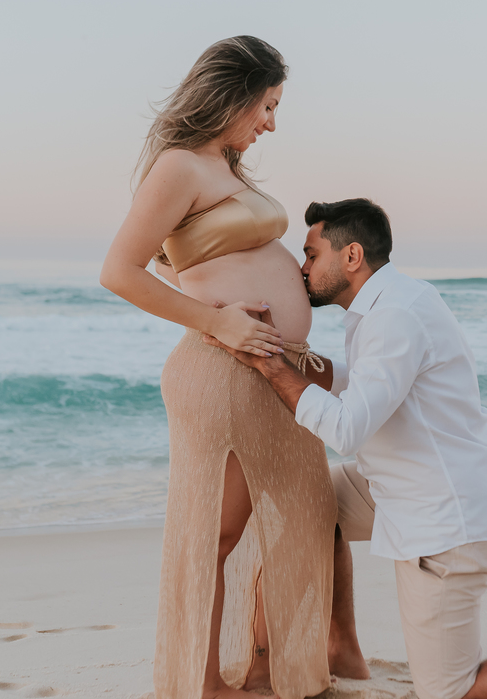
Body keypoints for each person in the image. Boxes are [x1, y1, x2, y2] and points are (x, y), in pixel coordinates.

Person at [204, 198, 487, 699]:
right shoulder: (388, 303)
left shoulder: (395, 316)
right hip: (396, 485)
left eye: (311, 255)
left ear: (352, 256)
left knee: (451, 692)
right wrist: (287, 354)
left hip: (443, 519)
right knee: (306, 502)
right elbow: (366, 380)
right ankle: (343, 649)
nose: (301, 267)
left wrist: (269, 364)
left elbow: (346, 429)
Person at [100, 37, 337, 699]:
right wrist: (218, 320)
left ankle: (265, 666)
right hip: (225, 370)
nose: (271, 122)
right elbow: (118, 270)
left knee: (296, 513)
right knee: (219, 531)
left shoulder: (224, 170)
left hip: (271, 370)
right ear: (234, 93)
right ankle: (202, 684)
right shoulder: (179, 166)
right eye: (267, 104)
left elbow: (178, 266)